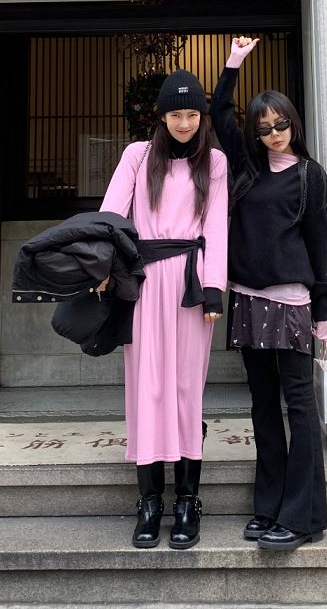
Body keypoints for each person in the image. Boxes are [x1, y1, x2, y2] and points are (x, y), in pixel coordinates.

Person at [210, 36, 327, 551]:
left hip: (292, 304)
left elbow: (320, 247)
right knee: (262, 405)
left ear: (293, 123)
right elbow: (219, 113)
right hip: (247, 298)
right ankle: (268, 507)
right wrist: (233, 62)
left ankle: (303, 518)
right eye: (264, 129)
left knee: (300, 406)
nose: (274, 134)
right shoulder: (248, 168)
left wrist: (323, 313)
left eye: (280, 124)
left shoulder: (309, 175)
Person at [100, 69, 227, 550]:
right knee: (147, 389)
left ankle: (188, 502)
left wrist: (213, 287)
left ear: (202, 116)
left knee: (186, 390)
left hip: (191, 284)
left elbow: (216, 225)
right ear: (161, 116)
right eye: (176, 114)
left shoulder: (213, 161)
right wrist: (104, 267)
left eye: (192, 114)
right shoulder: (137, 156)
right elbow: (111, 216)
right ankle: (149, 503)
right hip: (146, 282)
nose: (184, 123)